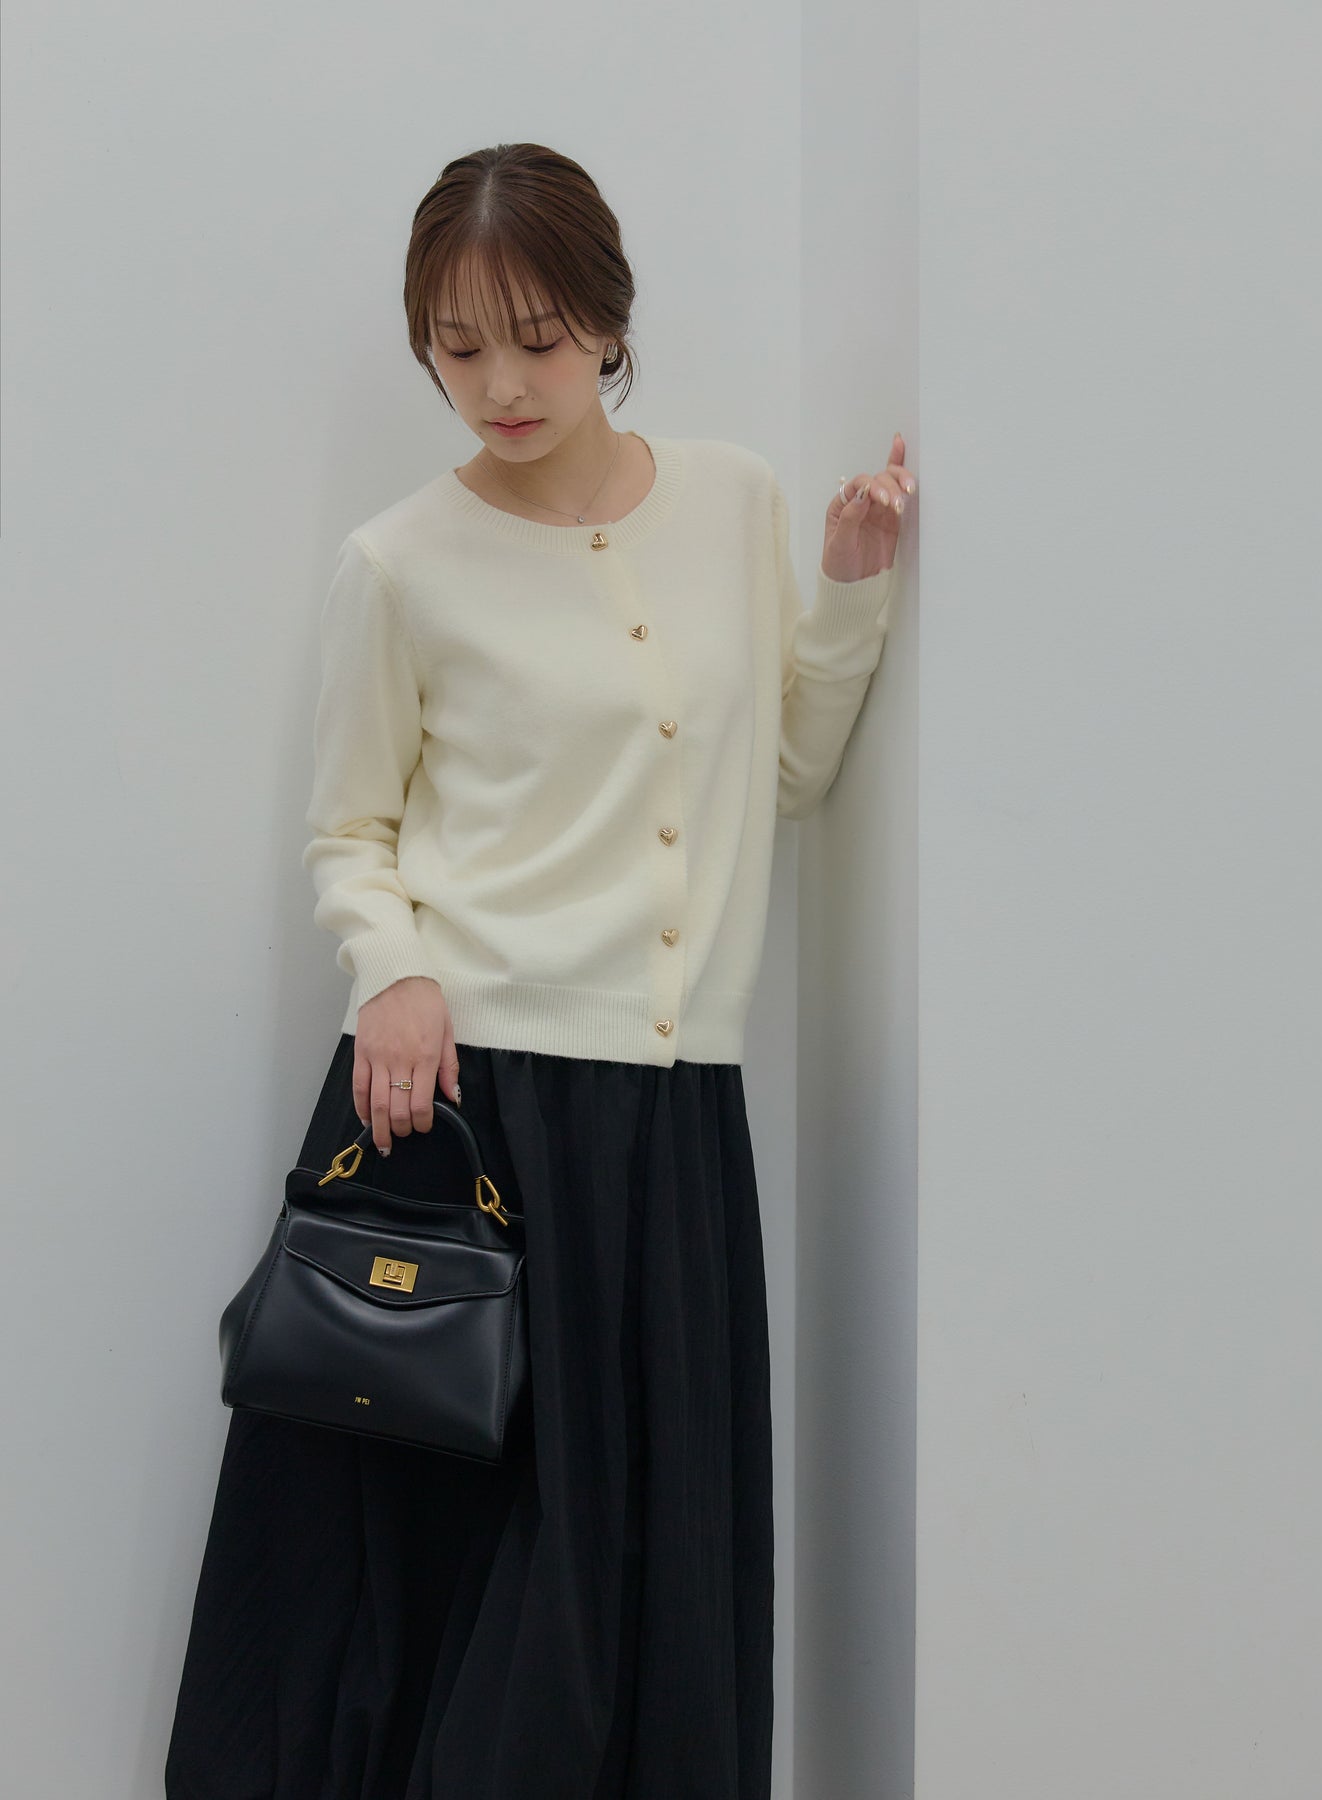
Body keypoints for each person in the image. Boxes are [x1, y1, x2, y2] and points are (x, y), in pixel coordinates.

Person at [164, 139, 914, 1800]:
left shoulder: (733, 502)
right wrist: (391, 970)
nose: (499, 385)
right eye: (456, 346)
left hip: (667, 1118)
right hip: (458, 1100)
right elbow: (350, 827)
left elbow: (785, 774)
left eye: (539, 338)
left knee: (636, 1569)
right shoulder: (400, 562)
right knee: (460, 1581)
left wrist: (851, 596)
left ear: (609, 320)